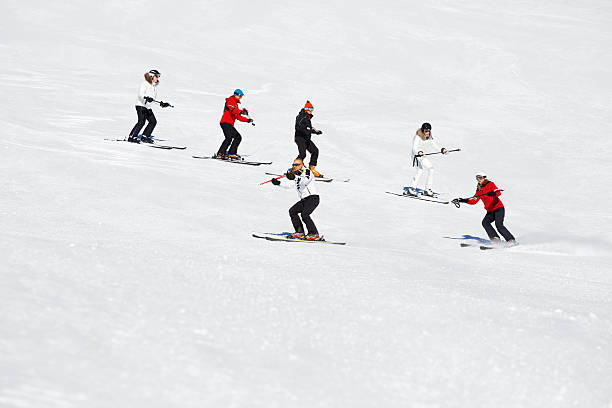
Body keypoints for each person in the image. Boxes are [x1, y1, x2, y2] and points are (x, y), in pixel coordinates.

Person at [453, 172, 517, 246]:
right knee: (485, 222)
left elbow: (498, 192)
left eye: (480, 177)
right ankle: (495, 239)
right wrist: (463, 200)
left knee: (499, 225)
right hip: (490, 210)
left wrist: (493, 194)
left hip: (498, 208)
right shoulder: (479, 189)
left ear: (484, 178)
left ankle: (511, 240)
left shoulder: (490, 184)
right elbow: (474, 200)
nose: (478, 179)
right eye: (477, 178)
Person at [270, 158, 322, 240]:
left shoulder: (307, 171)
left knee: (305, 214)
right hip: (304, 199)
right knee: (292, 211)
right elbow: (290, 185)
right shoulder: (297, 174)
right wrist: (278, 183)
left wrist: (294, 176)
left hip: (313, 198)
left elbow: (305, 181)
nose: (294, 166)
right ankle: (299, 232)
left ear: (302, 165)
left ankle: (314, 234)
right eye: (293, 165)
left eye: (297, 165)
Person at [128, 69, 172, 143]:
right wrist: (146, 97)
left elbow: (152, 100)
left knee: (153, 121)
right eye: (156, 76)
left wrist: (161, 104)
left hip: (147, 107)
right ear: (151, 76)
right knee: (141, 122)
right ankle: (132, 137)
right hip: (141, 105)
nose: (157, 78)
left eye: (158, 76)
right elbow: (140, 94)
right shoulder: (145, 83)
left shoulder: (154, 87)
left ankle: (145, 136)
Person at [405, 122, 448, 196]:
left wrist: (441, 150)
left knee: (428, 169)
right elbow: (414, 148)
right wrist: (419, 152)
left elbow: (434, 145)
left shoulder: (429, 137)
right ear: (422, 130)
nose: (427, 133)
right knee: (424, 170)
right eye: (426, 131)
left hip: (422, 155)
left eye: (428, 131)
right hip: (416, 156)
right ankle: (413, 189)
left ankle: (426, 189)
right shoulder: (418, 137)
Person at [216, 89, 252, 159]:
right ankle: (220, 153)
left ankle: (231, 153)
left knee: (238, 137)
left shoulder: (235, 104)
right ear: (236, 95)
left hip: (229, 124)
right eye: (240, 96)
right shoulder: (230, 101)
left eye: (242, 96)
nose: (241, 97)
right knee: (228, 138)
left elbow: (237, 116)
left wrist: (247, 120)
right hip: (225, 122)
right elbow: (233, 110)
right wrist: (241, 112)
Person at [294, 101, 324, 177]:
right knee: (302, 154)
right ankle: (295, 169)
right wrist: (308, 129)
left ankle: (311, 169)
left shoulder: (307, 117)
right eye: (309, 109)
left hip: (306, 138)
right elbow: (299, 126)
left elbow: (308, 128)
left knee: (315, 151)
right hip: (300, 138)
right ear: (306, 109)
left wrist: (315, 131)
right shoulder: (301, 116)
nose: (311, 111)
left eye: (312, 109)